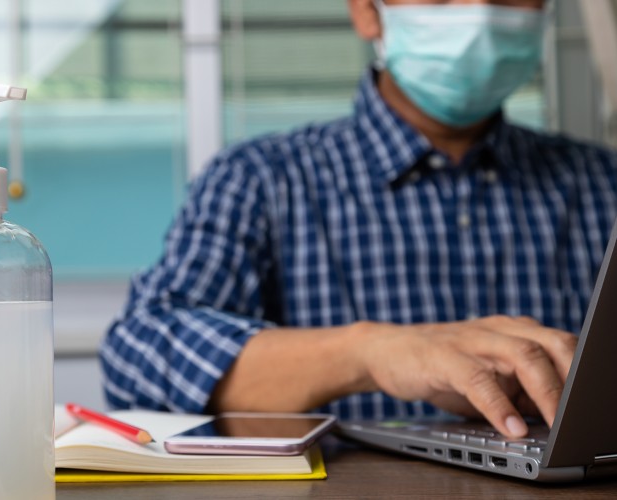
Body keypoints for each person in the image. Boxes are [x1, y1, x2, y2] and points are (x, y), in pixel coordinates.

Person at [100, 0, 617, 439]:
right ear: (368, 12)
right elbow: (140, 355)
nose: (478, 15)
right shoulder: (260, 178)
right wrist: (370, 354)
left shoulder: (605, 184)